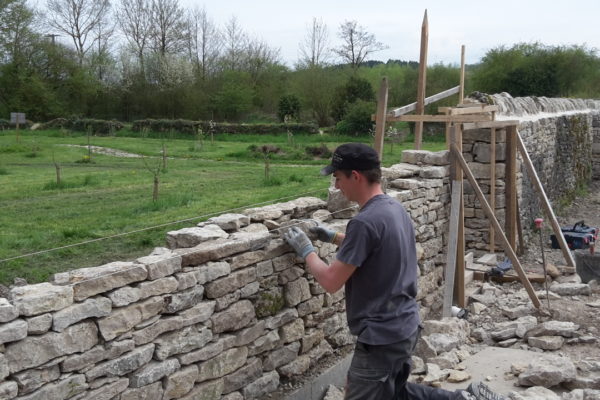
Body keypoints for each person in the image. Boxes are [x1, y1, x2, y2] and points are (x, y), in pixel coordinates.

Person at [283, 143, 505, 400]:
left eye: (339, 178)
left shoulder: (364, 222)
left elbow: (331, 280)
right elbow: (376, 246)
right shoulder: (392, 208)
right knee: (394, 393)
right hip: (405, 326)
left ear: (355, 176)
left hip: (381, 337)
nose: (336, 187)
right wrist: (334, 237)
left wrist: (306, 250)